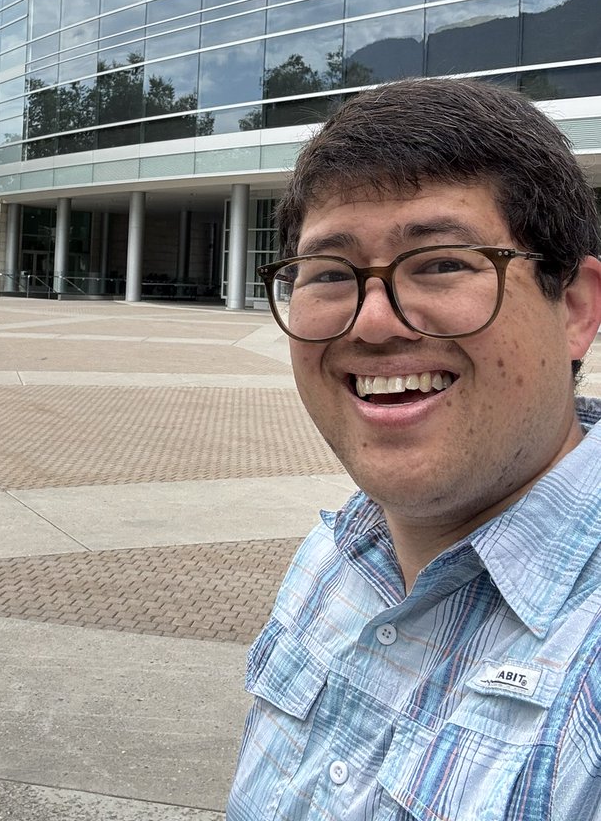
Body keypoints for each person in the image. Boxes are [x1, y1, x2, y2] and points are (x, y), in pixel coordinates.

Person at [227, 77, 601, 821]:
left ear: (576, 310)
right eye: (330, 274)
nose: (372, 323)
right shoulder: (333, 559)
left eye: (440, 264)